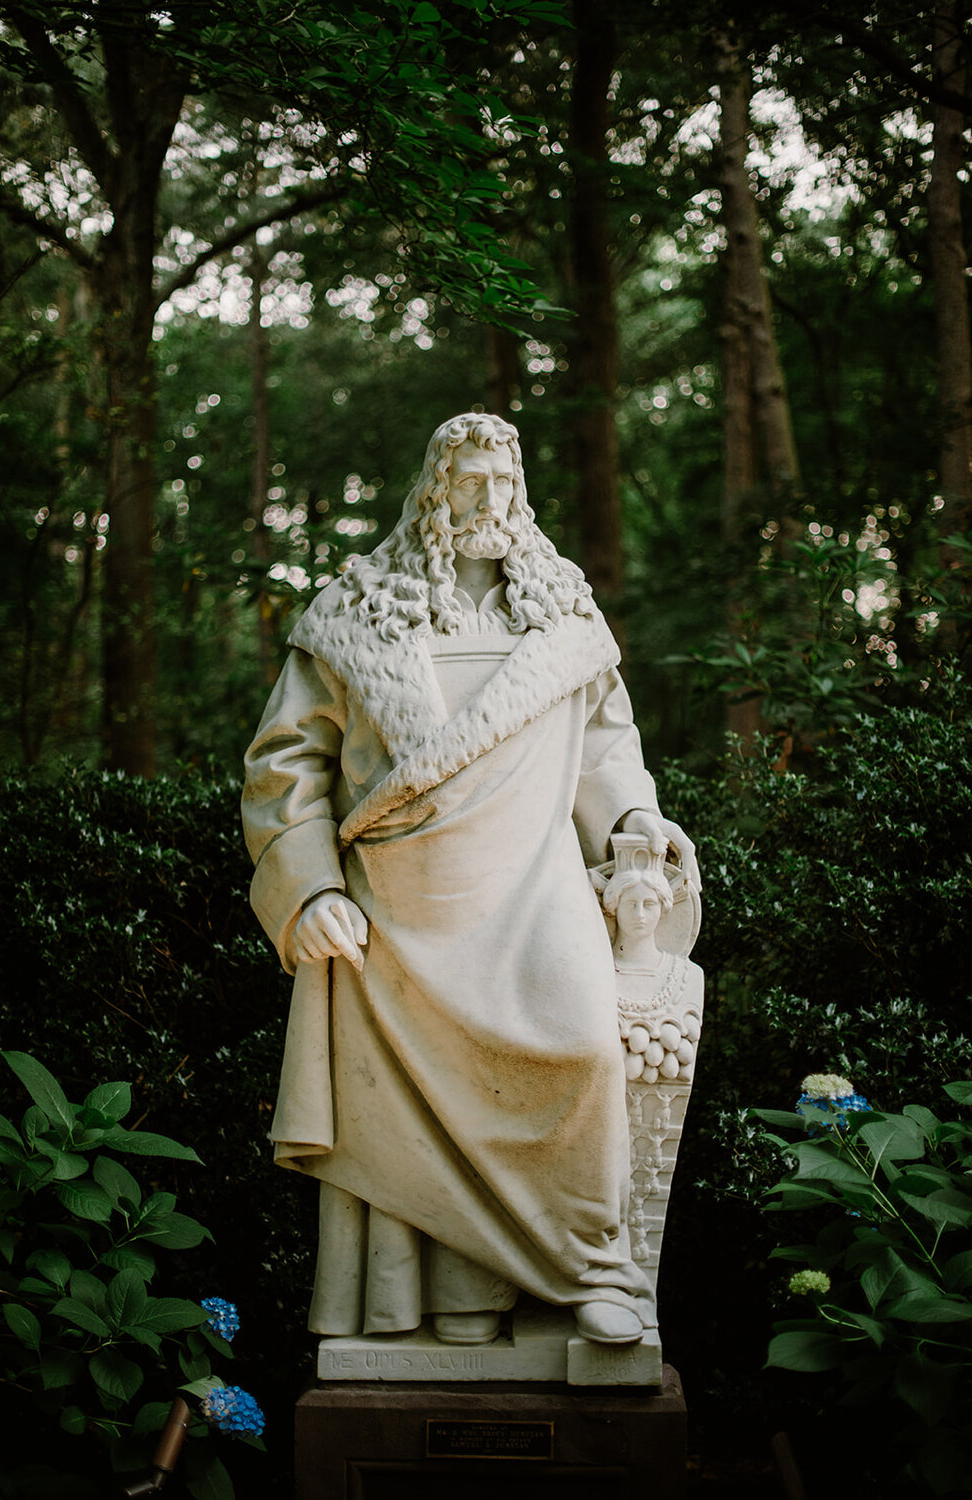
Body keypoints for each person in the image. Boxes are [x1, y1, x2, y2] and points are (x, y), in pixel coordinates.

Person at [241, 412, 697, 1348]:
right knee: (399, 1111)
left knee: (584, 1054)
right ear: (435, 489)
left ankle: (589, 1269)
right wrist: (311, 887)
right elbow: (287, 764)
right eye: (470, 481)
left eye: (503, 481)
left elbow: (606, 749)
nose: (489, 499)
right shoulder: (358, 608)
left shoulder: (564, 613)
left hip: (536, 894)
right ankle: (429, 1310)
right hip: (397, 913)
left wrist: (635, 821)